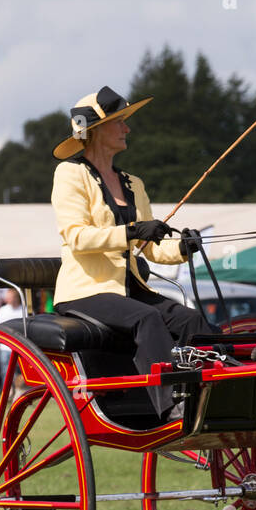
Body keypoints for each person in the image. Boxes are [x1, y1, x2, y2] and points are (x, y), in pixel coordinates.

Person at [51, 85, 210, 420]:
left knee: (190, 318)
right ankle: (173, 405)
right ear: (93, 131)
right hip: (87, 291)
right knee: (147, 318)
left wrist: (182, 248)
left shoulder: (133, 183)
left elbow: (149, 246)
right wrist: (133, 231)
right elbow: (77, 237)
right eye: (119, 121)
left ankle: (216, 391)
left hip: (131, 289)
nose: (127, 128)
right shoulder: (70, 174)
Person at [0, 288, 26, 385]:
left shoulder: (23, 309)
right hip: (5, 347)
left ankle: (19, 391)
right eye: (8, 297)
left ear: (16, 298)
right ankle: (8, 392)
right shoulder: (2, 311)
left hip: (20, 346)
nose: (8, 299)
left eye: (10, 297)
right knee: (5, 372)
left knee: (21, 372)